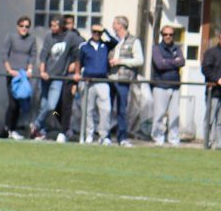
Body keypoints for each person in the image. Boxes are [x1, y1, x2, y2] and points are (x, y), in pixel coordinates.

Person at [31, 16, 79, 141]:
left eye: (55, 26)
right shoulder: (49, 37)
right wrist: (42, 71)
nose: (52, 28)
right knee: (43, 106)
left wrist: (76, 69)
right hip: (46, 77)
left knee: (52, 107)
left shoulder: (71, 37)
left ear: (61, 26)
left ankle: (36, 124)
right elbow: (43, 55)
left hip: (58, 77)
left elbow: (78, 53)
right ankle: (40, 132)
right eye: (51, 25)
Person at [73, 24, 117, 144]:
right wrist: (77, 73)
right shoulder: (84, 46)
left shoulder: (105, 45)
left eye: (99, 32)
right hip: (88, 81)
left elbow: (115, 41)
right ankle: (89, 134)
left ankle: (104, 135)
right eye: (94, 32)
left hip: (102, 80)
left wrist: (105, 30)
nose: (97, 34)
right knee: (88, 110)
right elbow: (78, 61)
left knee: (106, 109)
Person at [107, 16, 144, 147]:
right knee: (107, 108)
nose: (112, 25)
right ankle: (105, 136)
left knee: (122, 109)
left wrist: (121, 61)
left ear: (120, 26)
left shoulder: (134, 41)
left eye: (114, 23)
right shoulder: (112, 40)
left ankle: (122, 137)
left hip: (123, 79)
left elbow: (139, 60)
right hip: (110, 78)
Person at [2, 16, 37, 139]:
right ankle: (7, 128)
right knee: (12, 104)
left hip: (23, 76)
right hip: (12, 75)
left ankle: (14, 129)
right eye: (22, 26)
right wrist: (9, 70)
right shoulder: (11, 37)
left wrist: (29, 70)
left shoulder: (32, 39)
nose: (24, 28)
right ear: (18, 26)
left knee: (21, 103)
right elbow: (4, 54)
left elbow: (33, 55)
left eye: (27, 26)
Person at [150, 27, 185, 146]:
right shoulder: (156, 48)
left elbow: (182, 62)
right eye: (165, 34)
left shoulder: (177, 48)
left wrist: (167, 61)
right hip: (160, 85)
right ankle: (158, 137)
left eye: (170, 34)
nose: (168, 36)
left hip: (175, 86)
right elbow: (160, 64)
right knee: (159, 114)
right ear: (162, 35)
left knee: (175, 115)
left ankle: (173, 138)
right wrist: (174, 61)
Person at [57, 15, 85, 142]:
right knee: (55, 108)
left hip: (70, 78)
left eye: (70, 23)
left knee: (67, 105)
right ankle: (65, 126)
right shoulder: (59, 37)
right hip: (58, 76)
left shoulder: (78, 38)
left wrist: (76, 72)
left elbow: (81, 56)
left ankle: (64, 131)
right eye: (66, 23)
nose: (68, 26)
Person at [201, 28, 221, 148]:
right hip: (213, 91)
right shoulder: (211, 52)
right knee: (210, 119)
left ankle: (220, 143)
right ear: (219, 39)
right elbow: (205, 69)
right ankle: (207, 142)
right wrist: (218, 79)